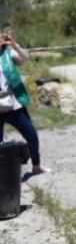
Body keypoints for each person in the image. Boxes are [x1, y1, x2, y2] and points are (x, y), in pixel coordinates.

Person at [0, 29, 49, 175]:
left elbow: (25, 58)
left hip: (14, 105)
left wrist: (14, 45)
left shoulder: (8, 54)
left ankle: (36, 166)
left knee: (31, 135)